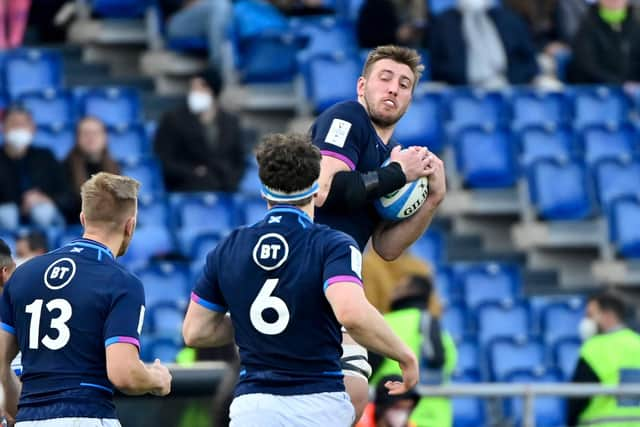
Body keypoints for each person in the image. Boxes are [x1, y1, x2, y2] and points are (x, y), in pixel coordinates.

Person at [182, 133, 419, 427]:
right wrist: (404, 354)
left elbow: (195, 332)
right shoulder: (332, 244)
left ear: (263, 190)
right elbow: (352, 314)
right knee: (354, 361)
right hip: (317, 403)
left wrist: (254, 325)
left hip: (252, 408)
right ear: (317, 185)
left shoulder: (229, 247)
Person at [310, 44, 445, 419]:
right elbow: (324, 190)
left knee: (353, 393)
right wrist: (399, 173)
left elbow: (387, 247)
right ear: (361, 86)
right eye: (384, 78)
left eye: (404, 84)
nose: (393, 89)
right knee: (330, 392)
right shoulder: (347, 117)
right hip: (308, 268)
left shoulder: (385, 158)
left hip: (341, 276)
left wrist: (433, 199)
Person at [0, 172, 172, 426]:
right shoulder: (121, 282)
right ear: (130, 225)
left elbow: (2, 362)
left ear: (83, 219)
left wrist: (24, 410)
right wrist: (157, 379)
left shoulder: (24, 274)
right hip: (88, 414)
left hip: (30, 418)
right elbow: (124, 374)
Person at [370, 275, 457, 427]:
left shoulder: (384, 323)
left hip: (394, 416)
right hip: (437, 419)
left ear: (408, 291)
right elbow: (448, 365)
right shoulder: (441, 330)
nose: (391, 292)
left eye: (397, 288)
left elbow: (368, 369)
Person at [153, 68, 248, 193]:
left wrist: (229, 178)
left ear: (213, 91)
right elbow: (164, 159)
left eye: (200, 89)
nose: (194, 94)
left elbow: (238, 160)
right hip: (187, 188)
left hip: (224, 188)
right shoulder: (173, 120)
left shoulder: (230, 122)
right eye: (193, 89)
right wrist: (193, 172)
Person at [428, 0, 542, 88]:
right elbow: (438, 67)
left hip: (508, 88)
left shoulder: (510, 19)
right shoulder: (443, 23)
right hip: (463, 92)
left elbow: (529, 62)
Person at [567, 291, 640, 426]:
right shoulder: (637, 342)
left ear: (607, 316)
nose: (586, 321)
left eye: (590, 315)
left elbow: (577, 399)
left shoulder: (594, 348)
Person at [0, 105, 71, 230]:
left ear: (32, 128)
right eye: (13, 124)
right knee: (7, 214)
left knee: (42, 211)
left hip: (44, 219)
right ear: (3, 128)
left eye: (23, 124)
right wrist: (21, 204)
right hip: (7, 220)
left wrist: (45, 198)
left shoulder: (46, 156)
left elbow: (66, 195)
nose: (18, 128)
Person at [567, 0, 640, 85]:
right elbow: (587, 66)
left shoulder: (635, 25)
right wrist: (620, 83)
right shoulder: (586, 25)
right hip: (595, 88)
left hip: (632, 87)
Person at [64, 116, 120, 224]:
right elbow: (66, 205)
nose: (91, 138)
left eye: (95, 133)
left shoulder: (114, 167)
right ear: (77, 138)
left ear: (105, 137)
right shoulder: (66, 167)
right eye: (85, 134)